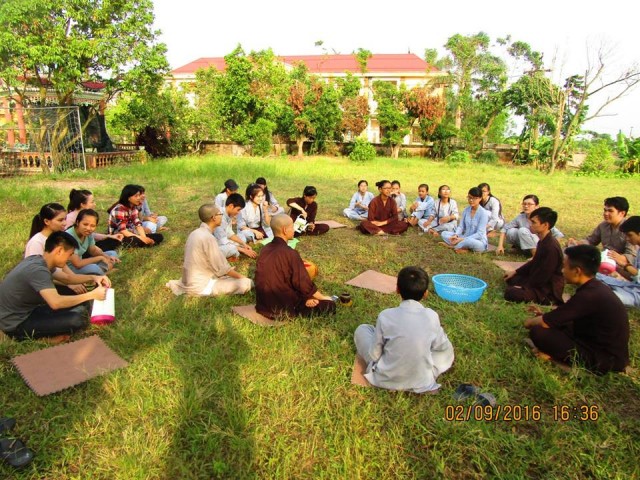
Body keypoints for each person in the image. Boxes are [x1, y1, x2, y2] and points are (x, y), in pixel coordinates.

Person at [524, 245, 629, 374]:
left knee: (538, 332)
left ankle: (556, 357)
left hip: (605, 360)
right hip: (593, 341)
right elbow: (565, 315)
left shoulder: (589, 295)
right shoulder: (595, 287)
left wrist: (529, 322)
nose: (562, 271)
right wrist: (547, 317)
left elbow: (544, 322)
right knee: (558, 325)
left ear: (577, 271)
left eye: (565, 267)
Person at [354, 266, 454, 393]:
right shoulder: (432, 316)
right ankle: (422, 373)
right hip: (422, 380)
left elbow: (374, 354)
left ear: (397, 289)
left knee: (363, 329)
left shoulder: (385, 316)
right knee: (447, 347)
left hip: (385, 378)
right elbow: (441, 347)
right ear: (426, 293)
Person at [0, 231, 109, 341]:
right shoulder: (38, 270)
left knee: (81, 306)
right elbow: (56, 303)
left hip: (28, 311)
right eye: (70, 254)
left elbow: (67, 278)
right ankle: (36, 338)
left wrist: (94, 277)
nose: (69, 259)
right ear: (59, 250)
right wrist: (91, 295)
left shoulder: (39, 260)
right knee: (77, 320)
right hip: (15, 323)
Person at [254, 214, 336, 319]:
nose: (294, 230)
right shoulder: (290, 253)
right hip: (282, 308)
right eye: (292, 227)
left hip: (262, 305)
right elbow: (302, 283)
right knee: (330, 305)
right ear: (285, 230)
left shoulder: (265, 249)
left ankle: (305, 299)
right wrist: (323, 298)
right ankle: (304, 301)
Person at [166, 204, 252, 296]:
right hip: (202, 286)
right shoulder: (208, 237)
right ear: (214, 218)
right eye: (220, 214)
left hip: (189, 280)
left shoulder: (195, 233)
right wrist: (244, 278)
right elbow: (223, 269)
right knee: (246, 284)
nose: (222, 216)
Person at [24, 203, 99, 295]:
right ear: (47, 221)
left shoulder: (58, 238)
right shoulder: (36, 242)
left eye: (65, 219)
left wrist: (76, 280)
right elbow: (36, 276)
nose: (65, 223)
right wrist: (69, 284)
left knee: (89, 287)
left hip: (58, 278)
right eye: (60, 220)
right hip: (42, 287)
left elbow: (64, 267)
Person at [504, 207, 564, 305]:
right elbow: (534, 262)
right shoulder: (543, 241)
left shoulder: (551, 247)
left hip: (547, 289)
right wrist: (515, 271)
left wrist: (525, 287)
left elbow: (544, 275)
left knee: (511, 292)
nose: (530, 225)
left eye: (533, 222)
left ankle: (544, 298)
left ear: (545, 225)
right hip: (535, 279)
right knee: (511, 277)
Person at [567, 197, 637, 276]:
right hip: (603, 261)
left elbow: (631, 256)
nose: (606, 213)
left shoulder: (629, 230)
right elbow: (591, 241)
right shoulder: (603, 225)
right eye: (605, 210)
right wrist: (577, 243)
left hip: (622, 268)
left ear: (622, 213)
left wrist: (614, 257)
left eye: (610, 211)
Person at [496, 194, 563, 256]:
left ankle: (535, 255)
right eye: (524, 204)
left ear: (537, 206)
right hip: (528, 242)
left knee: (522, 230)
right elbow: (504, 228)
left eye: (529, 204)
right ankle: (522, 250)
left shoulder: (541, 218)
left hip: (539, 244)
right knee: (511, 231)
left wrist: (550, 249)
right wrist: (500, 246)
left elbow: (558, 235)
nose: (526, 206)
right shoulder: (520, 217)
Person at [597, 215, 640, 307]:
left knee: (606, 297)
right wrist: (615, 267)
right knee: (594, 277)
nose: (627, 239)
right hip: (632, 286)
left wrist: (625, 265)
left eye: (630, 235)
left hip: (637, 295)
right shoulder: (639, 249)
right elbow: (633, 277)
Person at [66, 209, 120, 275]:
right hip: (70, 268)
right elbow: (78, 264)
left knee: (112, 253)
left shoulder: (88, 234)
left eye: (92, 226)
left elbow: (93, 251)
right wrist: (100, 258)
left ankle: (101, 270)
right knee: (93, 267)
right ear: (77, 222)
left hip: (82, 262)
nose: (88, 228)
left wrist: (107, 257)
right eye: (85, 224)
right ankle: (103, 272)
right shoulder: (69, 236)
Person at [440, 187, 489, 253]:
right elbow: (461, 226)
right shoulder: (466, 210)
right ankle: (463, 247)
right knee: (444, 233)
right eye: (469, 197)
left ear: (480, 198)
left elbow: (480, 234)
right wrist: (456, 235)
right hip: (465, 237)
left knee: (468, 241)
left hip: (478, 241)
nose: (471, 200)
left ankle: (454, 246)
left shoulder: (483, 213)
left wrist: (462, 239)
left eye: (474, 198)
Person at [213, 193, 258, 260]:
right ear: (231, 206)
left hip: (223, 239)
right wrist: (243, 250)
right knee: (233, 250)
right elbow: (222, 240)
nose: (238, 212)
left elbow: (229, 233)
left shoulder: (228, 215)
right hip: (216, 243)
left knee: (242, 239)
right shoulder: (219, 217)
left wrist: (244, 244)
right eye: (238, 210)